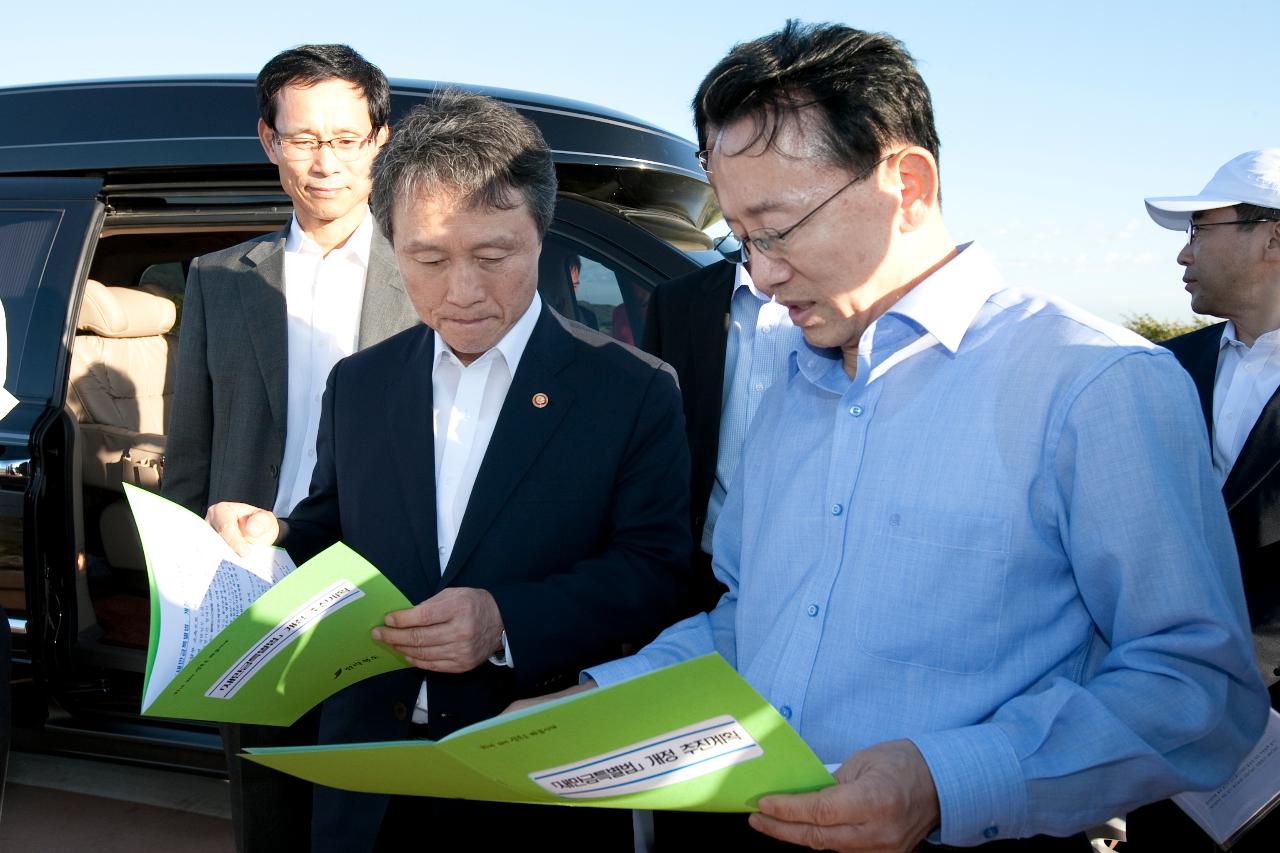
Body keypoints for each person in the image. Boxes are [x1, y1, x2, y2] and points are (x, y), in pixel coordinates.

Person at [567, 22, 1269, 851]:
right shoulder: (792, 378)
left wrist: (946, 779)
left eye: (778, 227)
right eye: (741, 238)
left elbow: (1197, 685)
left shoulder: (1095, 383)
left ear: (907, 182)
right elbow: (747, 623)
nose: (757, 273)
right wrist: (589, 700)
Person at [206, 90, 692, 851]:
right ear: (391, 242)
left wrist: (505, 620)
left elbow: (658, 571)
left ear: (542, 234)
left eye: (493, 256)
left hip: (529, 785)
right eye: (428, 259)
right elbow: (336, 526)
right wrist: (277, 533)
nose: (462, 291)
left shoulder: (631, 389)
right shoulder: (361, 383)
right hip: (364, 774)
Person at [161, 44, 419, 852]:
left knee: (378, 811)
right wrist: (189, 583)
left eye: (346, 138)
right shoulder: (219, 277)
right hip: (255, 582)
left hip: (388, 583)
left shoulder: (431, 272)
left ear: (380, 138)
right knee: (270, 807)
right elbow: (190, 450)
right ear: (269, 141)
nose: (326, 162)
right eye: (304, 138)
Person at [1126, 150, 1280, 852]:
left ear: (1271, 237)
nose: (1183, 253)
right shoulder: (1160, 369)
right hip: (1169, 739)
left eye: (1198, 228)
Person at [641, 254, 801, 614]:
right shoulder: (675, 300)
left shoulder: (842, 304)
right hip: (694, 565)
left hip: (798, 570)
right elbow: (647, 442)